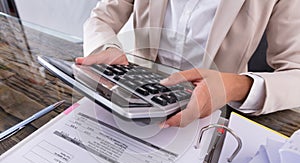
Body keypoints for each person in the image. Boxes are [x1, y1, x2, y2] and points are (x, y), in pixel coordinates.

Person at [76, 0, 300, 127]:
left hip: (214, 112)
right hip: (134, 95)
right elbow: (101, 18)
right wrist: (107, 49)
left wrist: (235, 86)